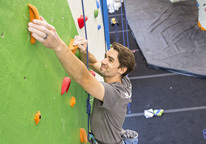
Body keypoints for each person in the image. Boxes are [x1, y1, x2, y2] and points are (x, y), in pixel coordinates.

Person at [28, 16, 136, 144]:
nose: (104, 61)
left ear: (122, 69)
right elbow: (95, 63)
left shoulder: (115, 95)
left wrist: (57, 44)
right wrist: (85, 51)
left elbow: (84, 79)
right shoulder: (123, 80)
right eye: (106, 56)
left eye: (110, 60)